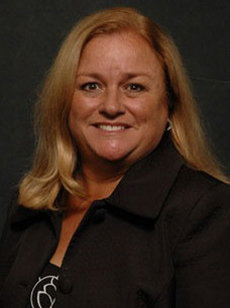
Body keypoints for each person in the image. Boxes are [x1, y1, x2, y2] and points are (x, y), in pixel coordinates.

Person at [0, 6, 230, 308]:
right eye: (91, 86)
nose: (111, 106)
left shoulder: (206, 212)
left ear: (169, 106)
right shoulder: (31, 200)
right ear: (65, 101)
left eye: (134, 87)